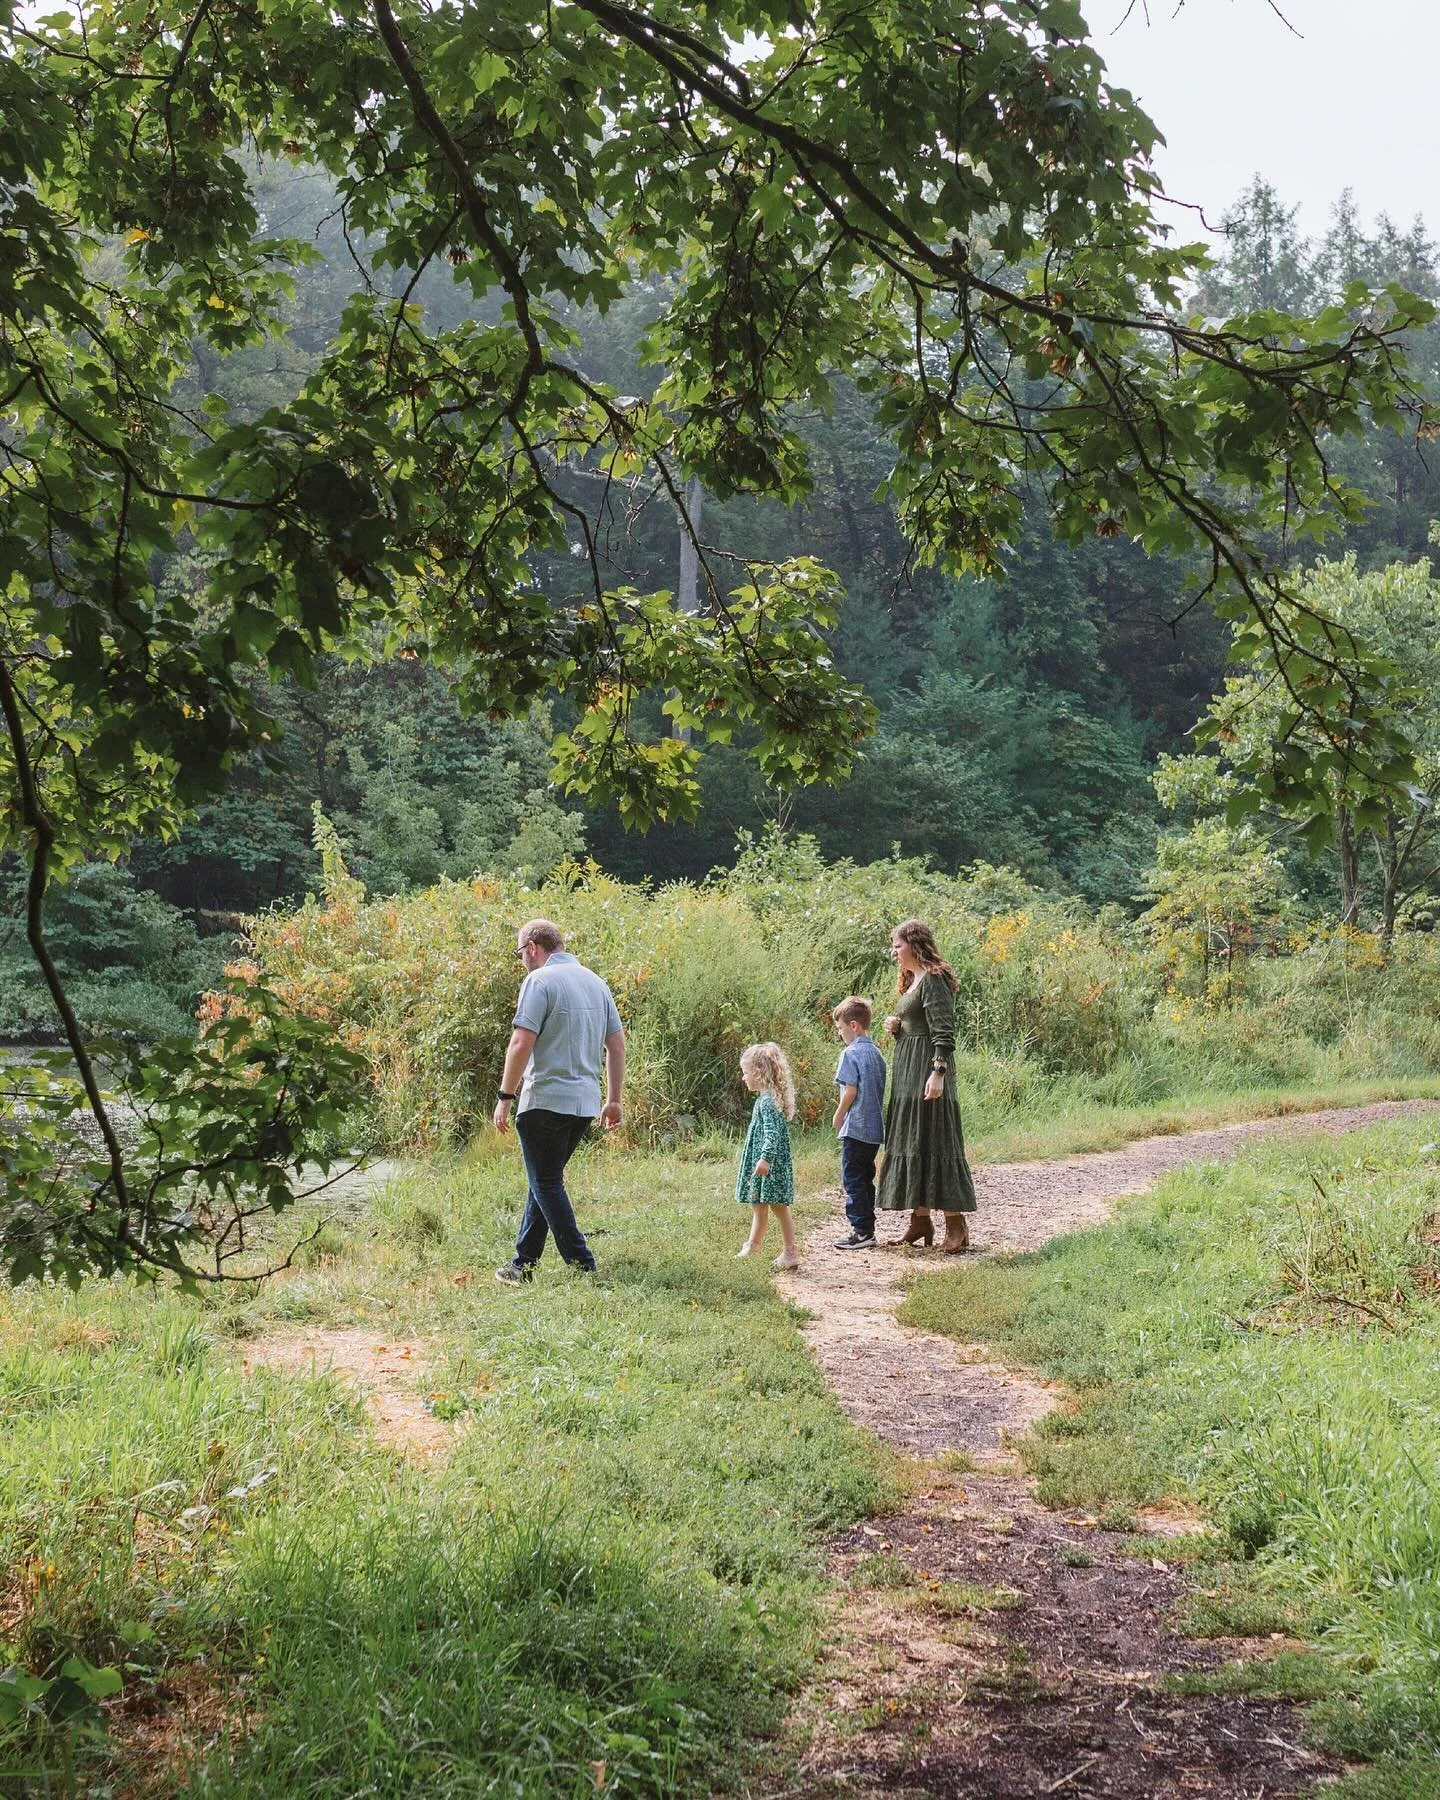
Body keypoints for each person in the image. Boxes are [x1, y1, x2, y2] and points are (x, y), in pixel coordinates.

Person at [492, 918, 625, 1285]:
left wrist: (505, 1096)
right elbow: (616, 1045)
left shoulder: (540, 981)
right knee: (544, 1180)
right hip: (584, 1105)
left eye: (520, 953)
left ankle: (583, 1264)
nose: (522, 960)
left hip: (544, 1100)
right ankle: (522, 1265)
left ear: (532, 948)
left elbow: (521, 1042)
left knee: (546, 1182)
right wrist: (614, 1099)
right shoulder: (596, 983)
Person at [877, 918, 976, 1253]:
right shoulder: (912, 980)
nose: (893, 952)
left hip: (926, 1070)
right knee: (913, 1138)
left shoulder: (934, 978)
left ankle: (956, 1225)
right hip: (907, 1070)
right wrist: (898, 1027)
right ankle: (920, 1221)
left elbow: (943, 1031)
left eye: (897, 945)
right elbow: (918, 1024)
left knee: (935, 1138)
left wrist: (938, 1072)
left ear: (915, 944)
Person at [734, 1042, 799, 1270]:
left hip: (770, 1164)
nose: (743, 1077)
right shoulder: (767, 1098)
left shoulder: (768, 1102)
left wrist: (765, 1158)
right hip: (765, 1162)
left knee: (778, 1206)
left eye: (745, 1072)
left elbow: (772, 1134)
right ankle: (753, 1246)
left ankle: (790, 1252)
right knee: (759, 1204)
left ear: (758, 1073)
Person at [831, 996, 887, 1250]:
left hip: (855, 1126)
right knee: (866, 1179)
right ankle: (867, 1229)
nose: (840, 1033)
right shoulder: (877, 1054)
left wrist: (839, 1114)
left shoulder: (850, 1054)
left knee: (852, 1179)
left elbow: (850, 1091)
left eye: (840, 1028)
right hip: (874, 1129)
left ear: (853, 1026)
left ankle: (861, 1230)